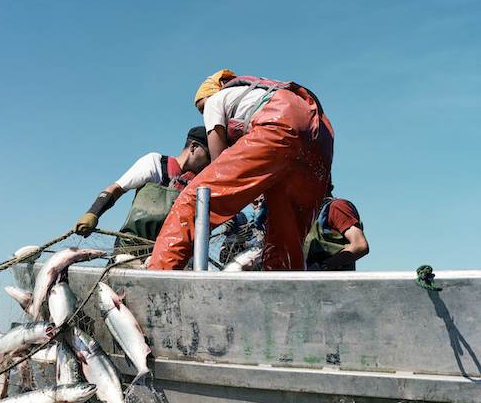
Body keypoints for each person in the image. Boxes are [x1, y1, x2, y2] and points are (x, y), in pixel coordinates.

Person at [148, 69, 334, 271]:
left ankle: (160, 272)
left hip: (279, 120)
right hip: (320, 137)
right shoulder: (258, 93)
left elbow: (218, 163)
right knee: (285, 231)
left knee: (195, 200)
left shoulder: (215, 100)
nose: (203, 114)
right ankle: (282, 292)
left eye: (201, 109)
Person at [74, 127, 210, 244]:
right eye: (208, 156)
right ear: (193, 147)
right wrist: (93, 214)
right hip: (133, 248)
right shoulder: (155, 163)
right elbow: (117, 188)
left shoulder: (199, 186)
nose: (209, 163)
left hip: (172, 254)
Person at [304, 190, 369, 270]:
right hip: (313, 281)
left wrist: (323, 267)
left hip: (333, 281)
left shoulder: (337, 207)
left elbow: (360, 245)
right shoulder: (313, 215)